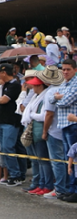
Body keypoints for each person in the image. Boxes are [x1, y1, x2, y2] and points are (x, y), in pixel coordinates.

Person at [0, 63, 23, 186]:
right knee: (3, 148)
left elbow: (4, 100)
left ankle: (16, 174)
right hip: (0, 120)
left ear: (4, 73)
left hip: (10, 120)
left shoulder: (15, 85)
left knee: (9, 147)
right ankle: (11, 174)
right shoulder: (1, 86)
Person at [39, 65, 69, 199]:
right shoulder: (64, 88)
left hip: (54, 130)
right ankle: (66, 186)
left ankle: (60, 188)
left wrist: (45, 131)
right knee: (66, 159)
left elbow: (49, 114)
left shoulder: (51, 92)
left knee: (57, 161)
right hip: (65, 128)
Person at [50, 59, 77, 201]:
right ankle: (71, 188)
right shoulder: (64, 83)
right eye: (64, 69)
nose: (65, 72)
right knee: (69, 158)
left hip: (73, 124)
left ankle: (75, 189)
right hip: (64, 124)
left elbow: (66, 101)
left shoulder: (76, 83)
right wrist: (58, 96)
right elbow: (51, 99)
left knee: (75, 158)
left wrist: (59, 97)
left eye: (68, 69)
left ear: (75, 69)